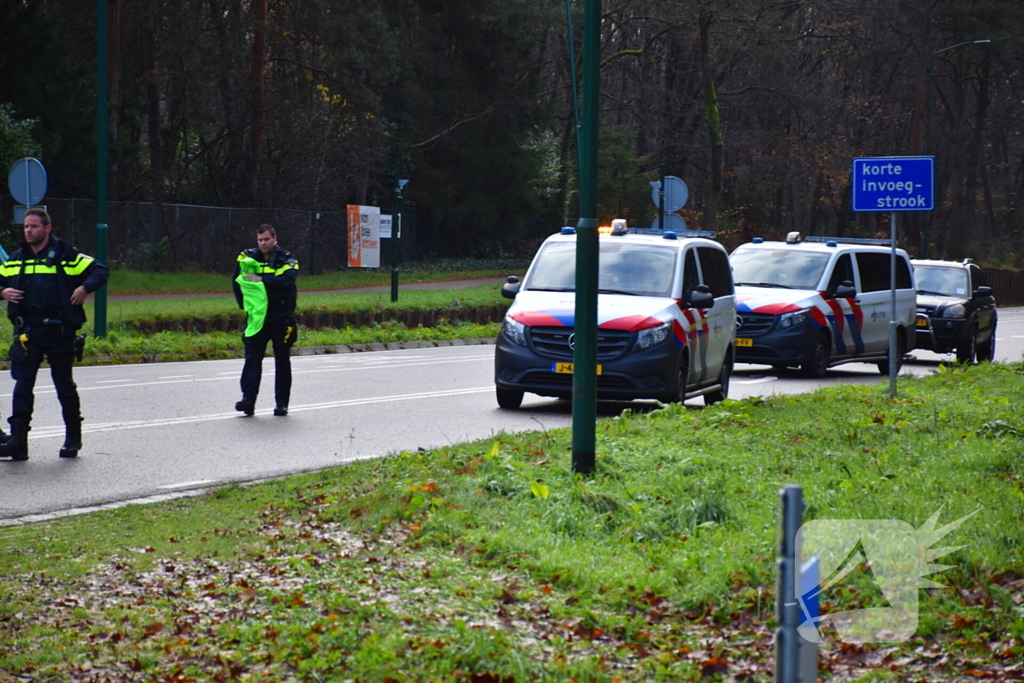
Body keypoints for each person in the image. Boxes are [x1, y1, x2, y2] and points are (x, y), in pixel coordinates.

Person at [0, 208, 110, 460]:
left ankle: (72, 438)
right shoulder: (17, 259)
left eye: (34, 227)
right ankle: (18, 442)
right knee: (22, 386)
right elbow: (1, 281)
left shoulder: (66, 256)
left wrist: (83, 288)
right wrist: (3, 293)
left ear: (47, 229)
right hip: (28, 332)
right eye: (26, 227)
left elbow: (100, 270)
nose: (29, 231)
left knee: (64, 387)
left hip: (60, 330)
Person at [232, 224, 299, 416]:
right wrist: (245, 307)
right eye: (260, 240)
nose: (263, 243)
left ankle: (281, 404)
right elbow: (237, 280)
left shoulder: (287, 258)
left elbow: (287, 281)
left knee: (282, 361)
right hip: (257, 317)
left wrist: (261, 279)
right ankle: (248, 400)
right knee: (252, 359)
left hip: (281, 317)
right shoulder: (248, 256)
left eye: (266, 239)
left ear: (275, 239)